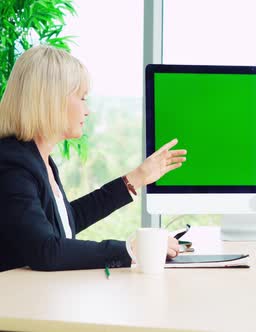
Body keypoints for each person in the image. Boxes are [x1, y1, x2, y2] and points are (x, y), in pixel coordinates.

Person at [0, 45, 187, 272]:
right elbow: (45, 250)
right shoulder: (12, 165)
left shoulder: (40, 160)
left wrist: (136, 178)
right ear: (51, 100)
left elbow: (65, 223)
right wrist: (130, 250)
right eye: (82, 98)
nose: (87, 110)